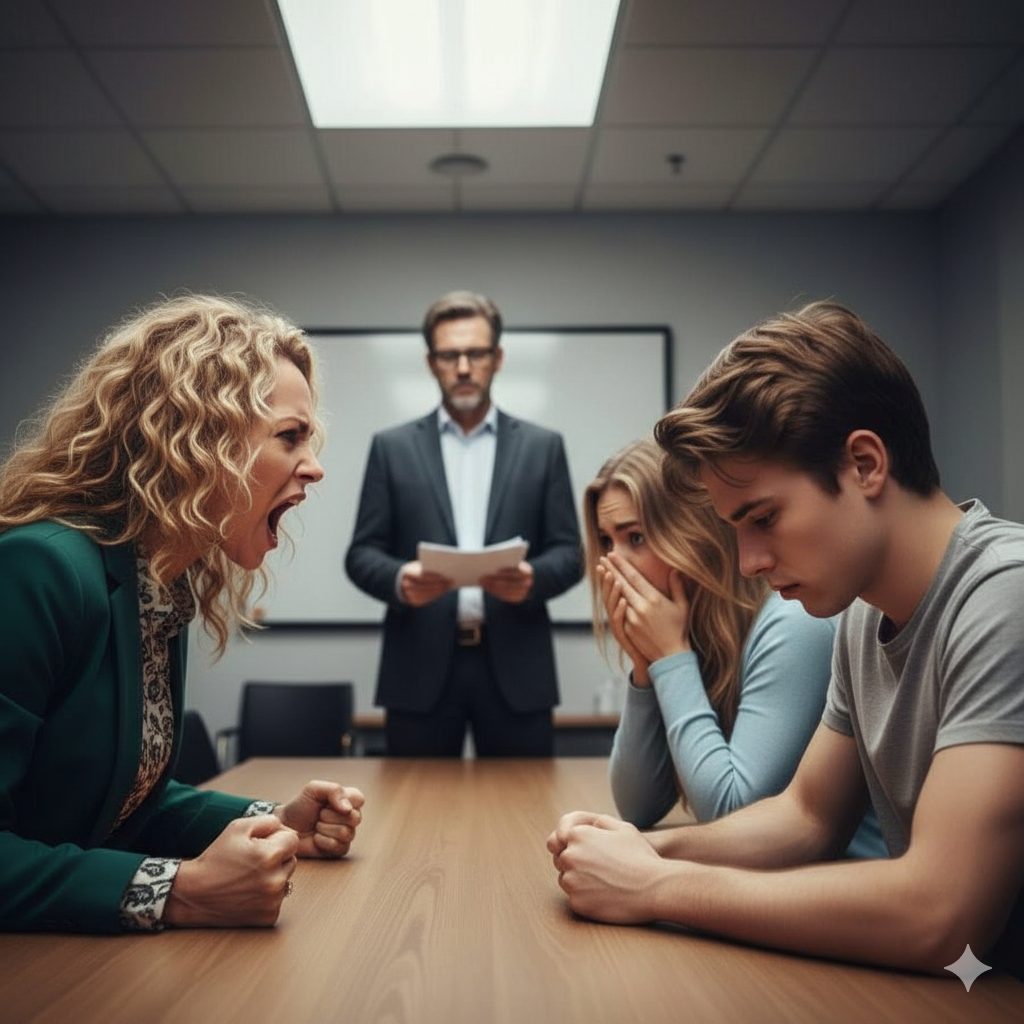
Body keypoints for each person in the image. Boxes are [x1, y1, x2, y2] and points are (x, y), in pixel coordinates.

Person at [549, 300, 1024, 978]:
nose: (746, 563)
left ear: (864, 464)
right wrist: (640, 849)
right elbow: (804, 817)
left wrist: (657, 886)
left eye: (764, 518)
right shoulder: (860, 613)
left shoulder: (1006, 593)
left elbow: (941, 914)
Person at [0, 294, 365, 934]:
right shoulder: (40, 570)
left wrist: (274, 819)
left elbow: (121, 804)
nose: (315, 466)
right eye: (289, 437)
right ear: (197, 442)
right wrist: (180, 890)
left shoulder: (161, 589)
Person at [586, 438, 884, 857]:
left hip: (849, 891)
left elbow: (731, 810)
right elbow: (638, 805)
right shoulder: (697, 631)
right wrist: (644, 663)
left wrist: (671, 657)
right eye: (606, 542)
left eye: (635, 538)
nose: (613, 566)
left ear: (693, 534)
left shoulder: (792, 622)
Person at [345, 290, 582, 757]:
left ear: (497, 358)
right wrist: (399, 579)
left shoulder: (543, 446)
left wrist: (533, 579)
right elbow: (361, 553)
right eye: (450, 355)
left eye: (475, 353)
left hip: (517, 666)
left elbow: (571, 553)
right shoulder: (391, 448)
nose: (464, 367)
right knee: (413, 813)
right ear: (431, 362)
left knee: (525, 814)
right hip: (417, 669)